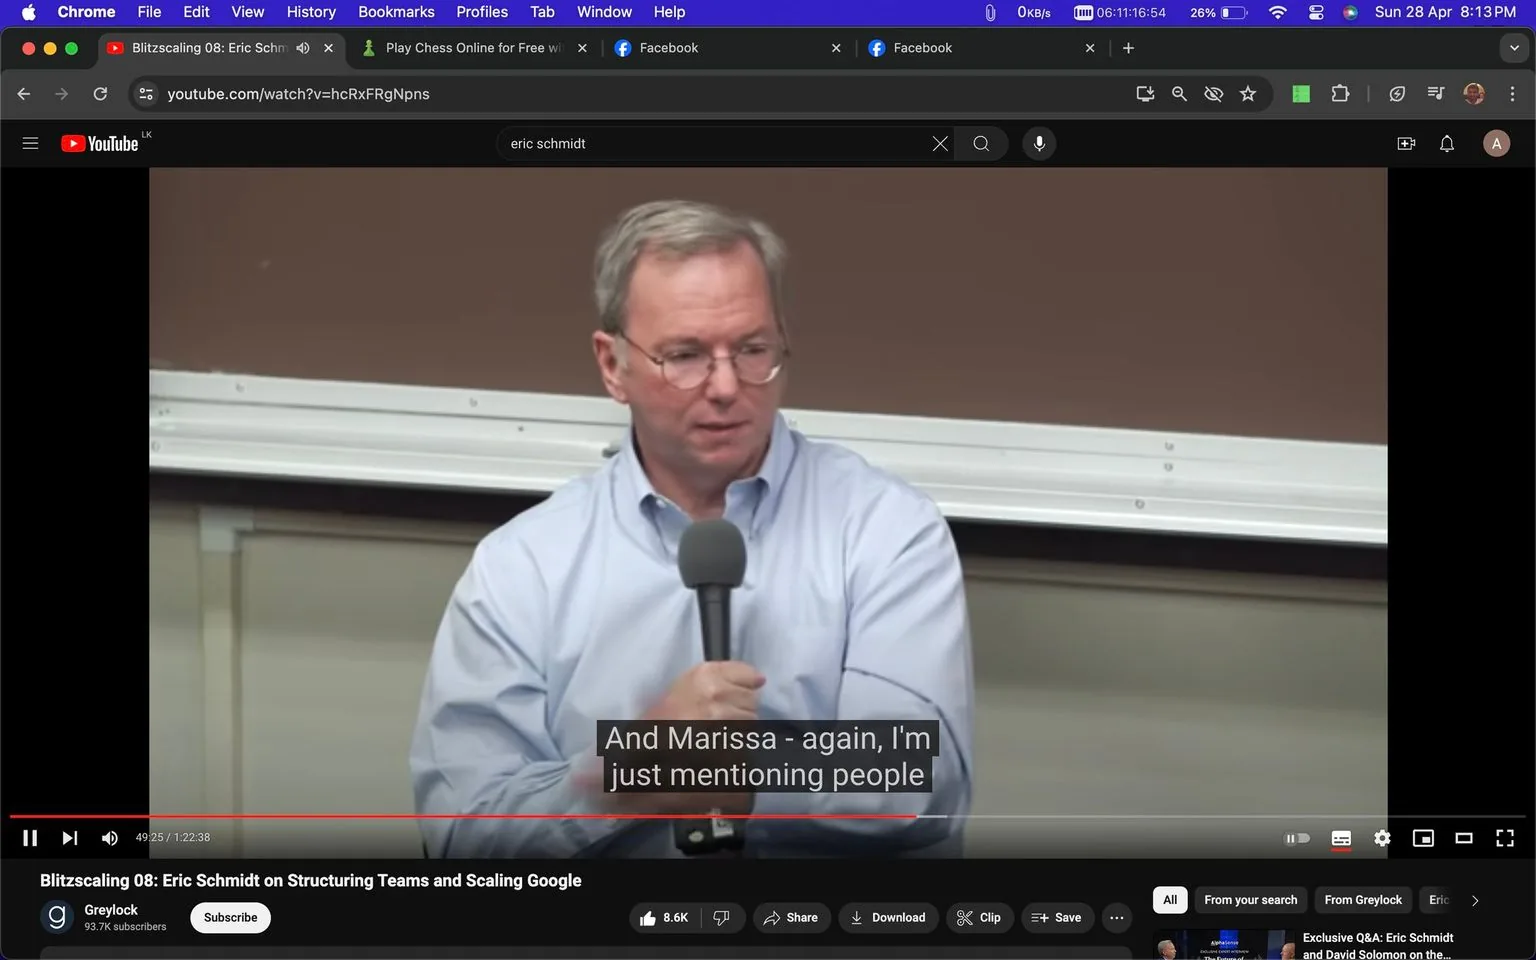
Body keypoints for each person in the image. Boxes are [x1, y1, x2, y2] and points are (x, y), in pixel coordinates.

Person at [408, 199, 975, 858]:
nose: (728, 385)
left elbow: (919, 781)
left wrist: (747, 779)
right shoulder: (522, 566)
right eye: (685, 355)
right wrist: (635, 772)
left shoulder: (886, 530)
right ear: (612, 366)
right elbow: (463, 832)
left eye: (753, 349)